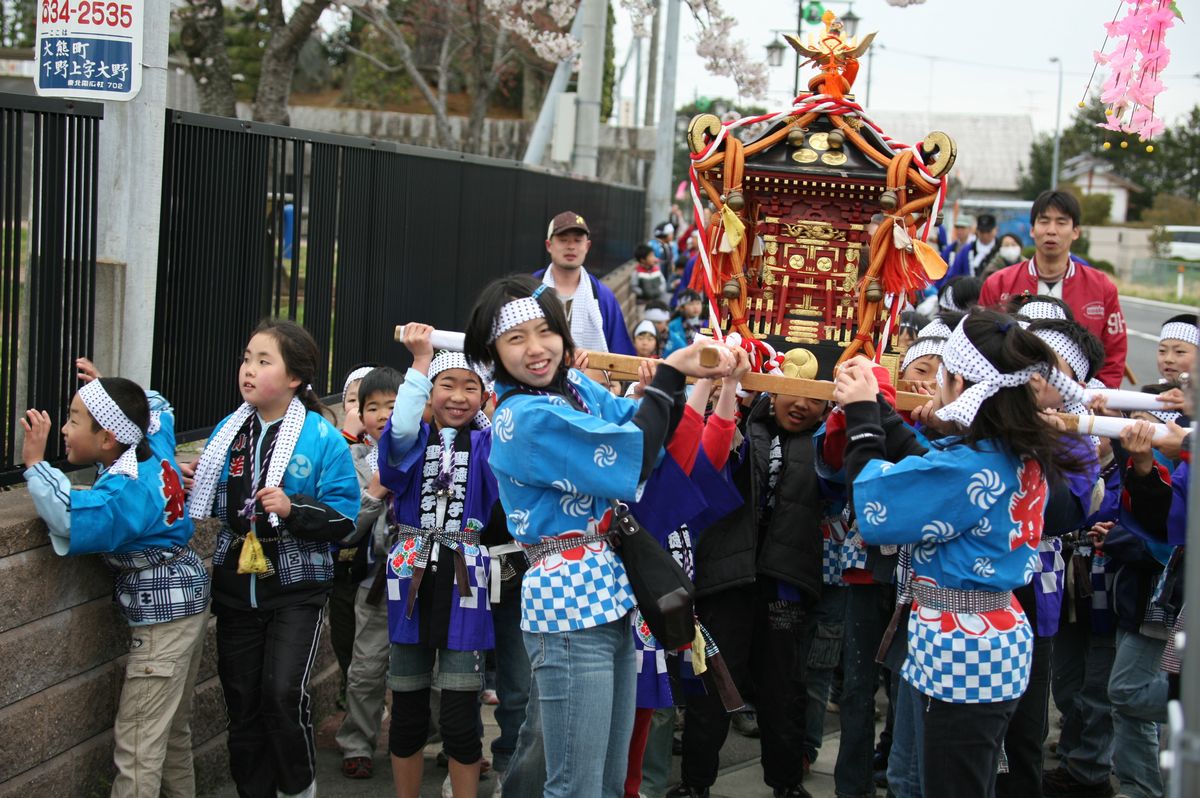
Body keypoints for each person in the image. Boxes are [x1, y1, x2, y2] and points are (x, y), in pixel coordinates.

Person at [462, 274, 734, 797]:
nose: (537, 349)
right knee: (576, 783)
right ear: (492, 352)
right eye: (516, 339)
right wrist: (671, 375)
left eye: (546, 332)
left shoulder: (576, 386)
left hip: (611, 592)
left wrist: (686, 381)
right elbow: (630, 455)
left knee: (609, 779)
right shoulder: (521, 417)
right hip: (565, 604)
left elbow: (645, 435)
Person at [833, 310, 1090, 798]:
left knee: (954, 786)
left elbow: (876, 509)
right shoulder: (1009, 450)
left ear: (960, 381)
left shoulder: (973, 465)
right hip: (989, 635)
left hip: (963, 650)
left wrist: (864, 418)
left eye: (942, 375)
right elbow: (934, 472)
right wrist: (884, 414)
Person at [186, 318, 360, 798]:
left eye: (264, 361)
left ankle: (297, 790)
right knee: (242, 701)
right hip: (236, 585)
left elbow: (346, 520)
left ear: (295, 378)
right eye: (247, 358)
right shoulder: (228, 432)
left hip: (297, 588)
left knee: (282, 694)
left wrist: (293, 507)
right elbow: (219, 506)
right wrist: (194, 478)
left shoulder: (321, 438)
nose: (248, 370)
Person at [21, 359, 210, 798]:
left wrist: (34, 465)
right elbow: (156, 406)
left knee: (138, 744)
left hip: (162, 622)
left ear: (107, 437)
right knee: (172, 732)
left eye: (73, 420)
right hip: (188, 604)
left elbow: (68, 516)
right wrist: (107, 388)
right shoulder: (152, 442)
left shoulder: (124, 491)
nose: (65, 430)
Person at [670, 349, 830, 798]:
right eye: (791, 392)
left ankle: (786, 784)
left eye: (814, 398)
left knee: (784, 690)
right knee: (714, 684)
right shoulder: (738, 424)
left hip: (785, 584)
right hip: (727, 580)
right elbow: (707, 461)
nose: (801, 404)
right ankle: (695, 784)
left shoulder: (825, 444)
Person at [380, 326, 505, 798]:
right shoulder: (408, 443)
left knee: (459, 716)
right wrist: (418, 361)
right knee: (408, 712)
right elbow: (405, 424)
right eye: (446, 385)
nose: (457, 396)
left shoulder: (490, 445)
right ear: (428, 393)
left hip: (465, 578)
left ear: (484, 394)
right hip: (410, 571)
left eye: (469, 386)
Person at [978, 191, 1128, 387]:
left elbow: (1114, 355)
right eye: (1044, 221)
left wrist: (1099, 400)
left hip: (1082, 400)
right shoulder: (998, 283)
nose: (1051, 230)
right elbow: (981, 344)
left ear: (1076, 231)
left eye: (1061, 222)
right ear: (1032, 229)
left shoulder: (1101, 287)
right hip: (1012, 396)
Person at [337, 366, 404, 780]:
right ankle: (357, 742)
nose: (381, 415)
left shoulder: (425, 452)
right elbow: (347, 527)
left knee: (428, 671)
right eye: (372, 407)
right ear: (359, 415)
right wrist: (375, 491)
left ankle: (435, 738)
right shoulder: (354, 460)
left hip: (422, 577)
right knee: (365, 668)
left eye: (392, 407)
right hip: (373, 581)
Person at [534, 211, 635, 355]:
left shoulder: (602, 296)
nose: (571, 247)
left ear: (587, 246)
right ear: (549, 245)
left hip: (591, 377)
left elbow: (621, 353)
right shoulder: (530, 290)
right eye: (563, 240)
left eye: (577, 240)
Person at [943, 213, 1001, 282]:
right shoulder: (966, 250)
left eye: (988, 232)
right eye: (982, 232)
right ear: (977, 231)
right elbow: (953, 274)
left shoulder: (1001, 249)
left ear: (996, 230)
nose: (985, 235)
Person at [664, 290, 705, 357]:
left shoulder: (706, 324)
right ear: (682, 307)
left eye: (698, 303)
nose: (695, 307)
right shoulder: (673, 325)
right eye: (691, 304)